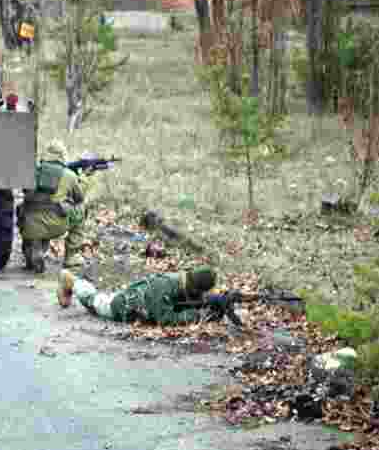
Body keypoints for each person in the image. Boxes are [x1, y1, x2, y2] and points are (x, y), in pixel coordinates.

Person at [57, 266, 245, 327]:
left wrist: (213, 302)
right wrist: (200, 316)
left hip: (134, 299)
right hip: (119, 307)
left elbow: (185, 301)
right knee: (93, 300)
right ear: (195, 287)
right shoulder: (166, 288)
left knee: (99, 296)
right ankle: (70, 281)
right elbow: (166, 318)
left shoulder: (181, 283)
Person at [18, 140, 87, 273]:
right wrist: (83, 178)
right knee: (81, 209)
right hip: (57, 225)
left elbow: (26, 192)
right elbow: (79, 198)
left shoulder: (32, 172)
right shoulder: (69, 175)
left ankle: (30, 255)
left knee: (25, 210)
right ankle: (71, 256)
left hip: (31, 225)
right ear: (63, 156)